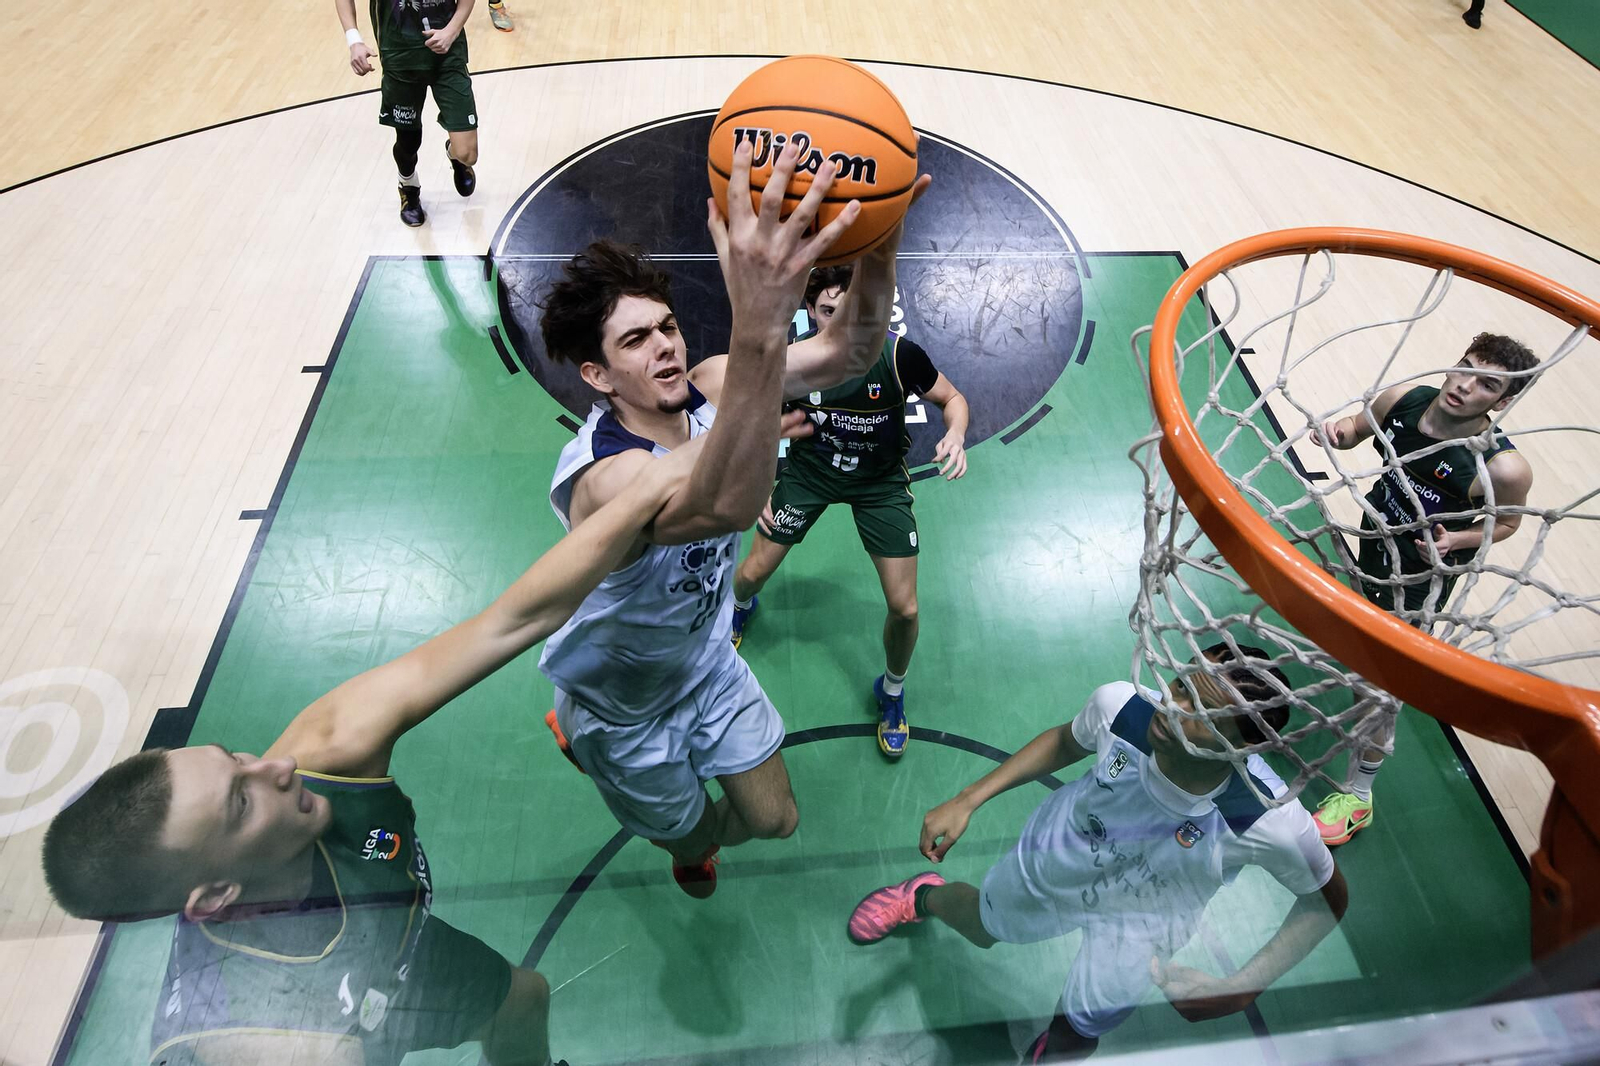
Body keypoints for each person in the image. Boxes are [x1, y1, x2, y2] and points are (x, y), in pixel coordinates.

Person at [41, 440, 720, 1066]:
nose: (276, 767)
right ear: (215, 894)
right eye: (241, 801)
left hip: (396, 951)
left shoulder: (325, 754)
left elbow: (516, 619)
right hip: (343, 1016)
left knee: (524, 996)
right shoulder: (271, 1040)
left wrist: (651, 481)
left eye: (236, 756)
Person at [536, 141, 929, 897]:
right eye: (635, 340)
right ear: (596, 374)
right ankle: (631, 789)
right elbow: (724, 504)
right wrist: (761, 327)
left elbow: (851, 351)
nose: (666, 348)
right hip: (624, 710)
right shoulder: (602, 475)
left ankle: (699, 837)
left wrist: (880, 242)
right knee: (686, 842)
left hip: (706, 662)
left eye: (668, 328)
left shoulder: (714, 385)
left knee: (776, 819)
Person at [847, 648, 1347, 1062]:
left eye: (1200, 711)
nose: (1171, 706)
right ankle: (924, 896)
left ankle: (1049, 1052)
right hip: (1063, 855)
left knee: (1085, 1022)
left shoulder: (1268, 819)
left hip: (1145, 919)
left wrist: (1242, 987)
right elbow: (1067, 741)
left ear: (1244, 746)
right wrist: (969, 798)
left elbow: (1327, 901)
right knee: (983, 926)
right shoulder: (1123, 708)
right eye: (1179, 685)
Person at [728, 264, 970, 757]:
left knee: (905, 608)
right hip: (810, 474)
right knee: (750, 574)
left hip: (880, 483)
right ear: (812, 312)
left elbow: (952, 397)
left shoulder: (900, 355)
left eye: (851, 311)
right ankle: (739, 609)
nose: (838, 323)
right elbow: (756, 426)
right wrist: (758, 486)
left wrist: (956, 433)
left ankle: (893, 691)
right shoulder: (794, 363)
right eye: (827, 311)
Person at [1309, 332, 1538, 845]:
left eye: (1486, 384)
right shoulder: (1402, 400)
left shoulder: (1500, 466)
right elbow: (1351, 431)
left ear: (1502, 402)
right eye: (1465, 366)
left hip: (1418, 579)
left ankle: (1359, 796)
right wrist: (1334, 433)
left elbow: (1507, 525)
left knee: (1378, 685)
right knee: (1355, 644)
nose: (1463, 384)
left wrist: (1455, 537)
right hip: (1372, 539)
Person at [337, 0, 480, 227]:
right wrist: (354, 41)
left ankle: (455, 155)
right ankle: (408, 186)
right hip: (399, 55)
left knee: (468, 154)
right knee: (409, 141)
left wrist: (451, 31)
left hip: (447, 52)